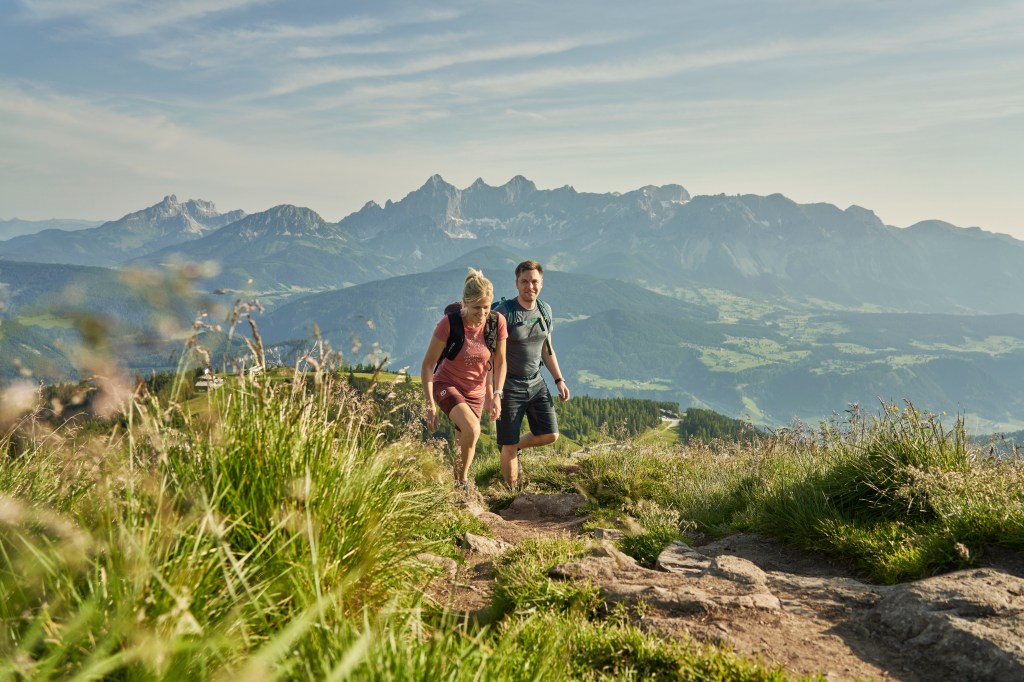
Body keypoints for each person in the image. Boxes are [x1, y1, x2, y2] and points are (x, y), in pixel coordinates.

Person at [421, 268, 507, 501]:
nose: (482, 313)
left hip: (476, 392)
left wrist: (496, 394)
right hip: (446, 384)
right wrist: (430, 403)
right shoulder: (449, 324)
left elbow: (500, 362)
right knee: (473, 430)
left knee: (464, 442)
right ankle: (463, 485)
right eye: (477, 307)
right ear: (465, 303)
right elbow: (428, 365)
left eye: (487, 307)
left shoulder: (496, 323)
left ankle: (456, 487)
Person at [493, 260, 570, 486]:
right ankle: (511, 494)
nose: (530, 286)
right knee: (507, 444)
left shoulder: (545, 310)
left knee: (550, 434)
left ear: (541, 283)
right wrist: (494, 392)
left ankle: (516, 447)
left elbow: (547, 349)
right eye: (524, 281)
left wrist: (559, 380)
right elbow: (491, 357)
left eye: (534, 281)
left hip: (536, 382)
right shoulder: (503, 314)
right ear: (516, 283)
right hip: (509, 386)